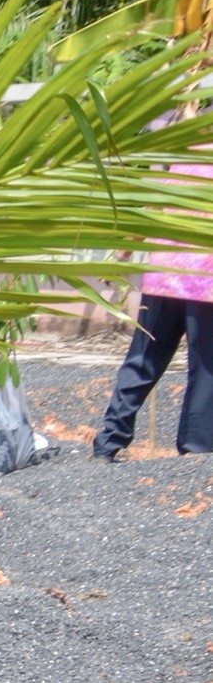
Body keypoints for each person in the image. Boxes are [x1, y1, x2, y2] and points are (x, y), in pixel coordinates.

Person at [95, 148, 213, 458]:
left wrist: (123, 251)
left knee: (143, 360)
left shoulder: (186, 153)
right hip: (205, 282)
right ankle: (195, 452)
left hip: (164, 275)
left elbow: (153, 203)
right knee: (205, 370)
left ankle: (108, 442)